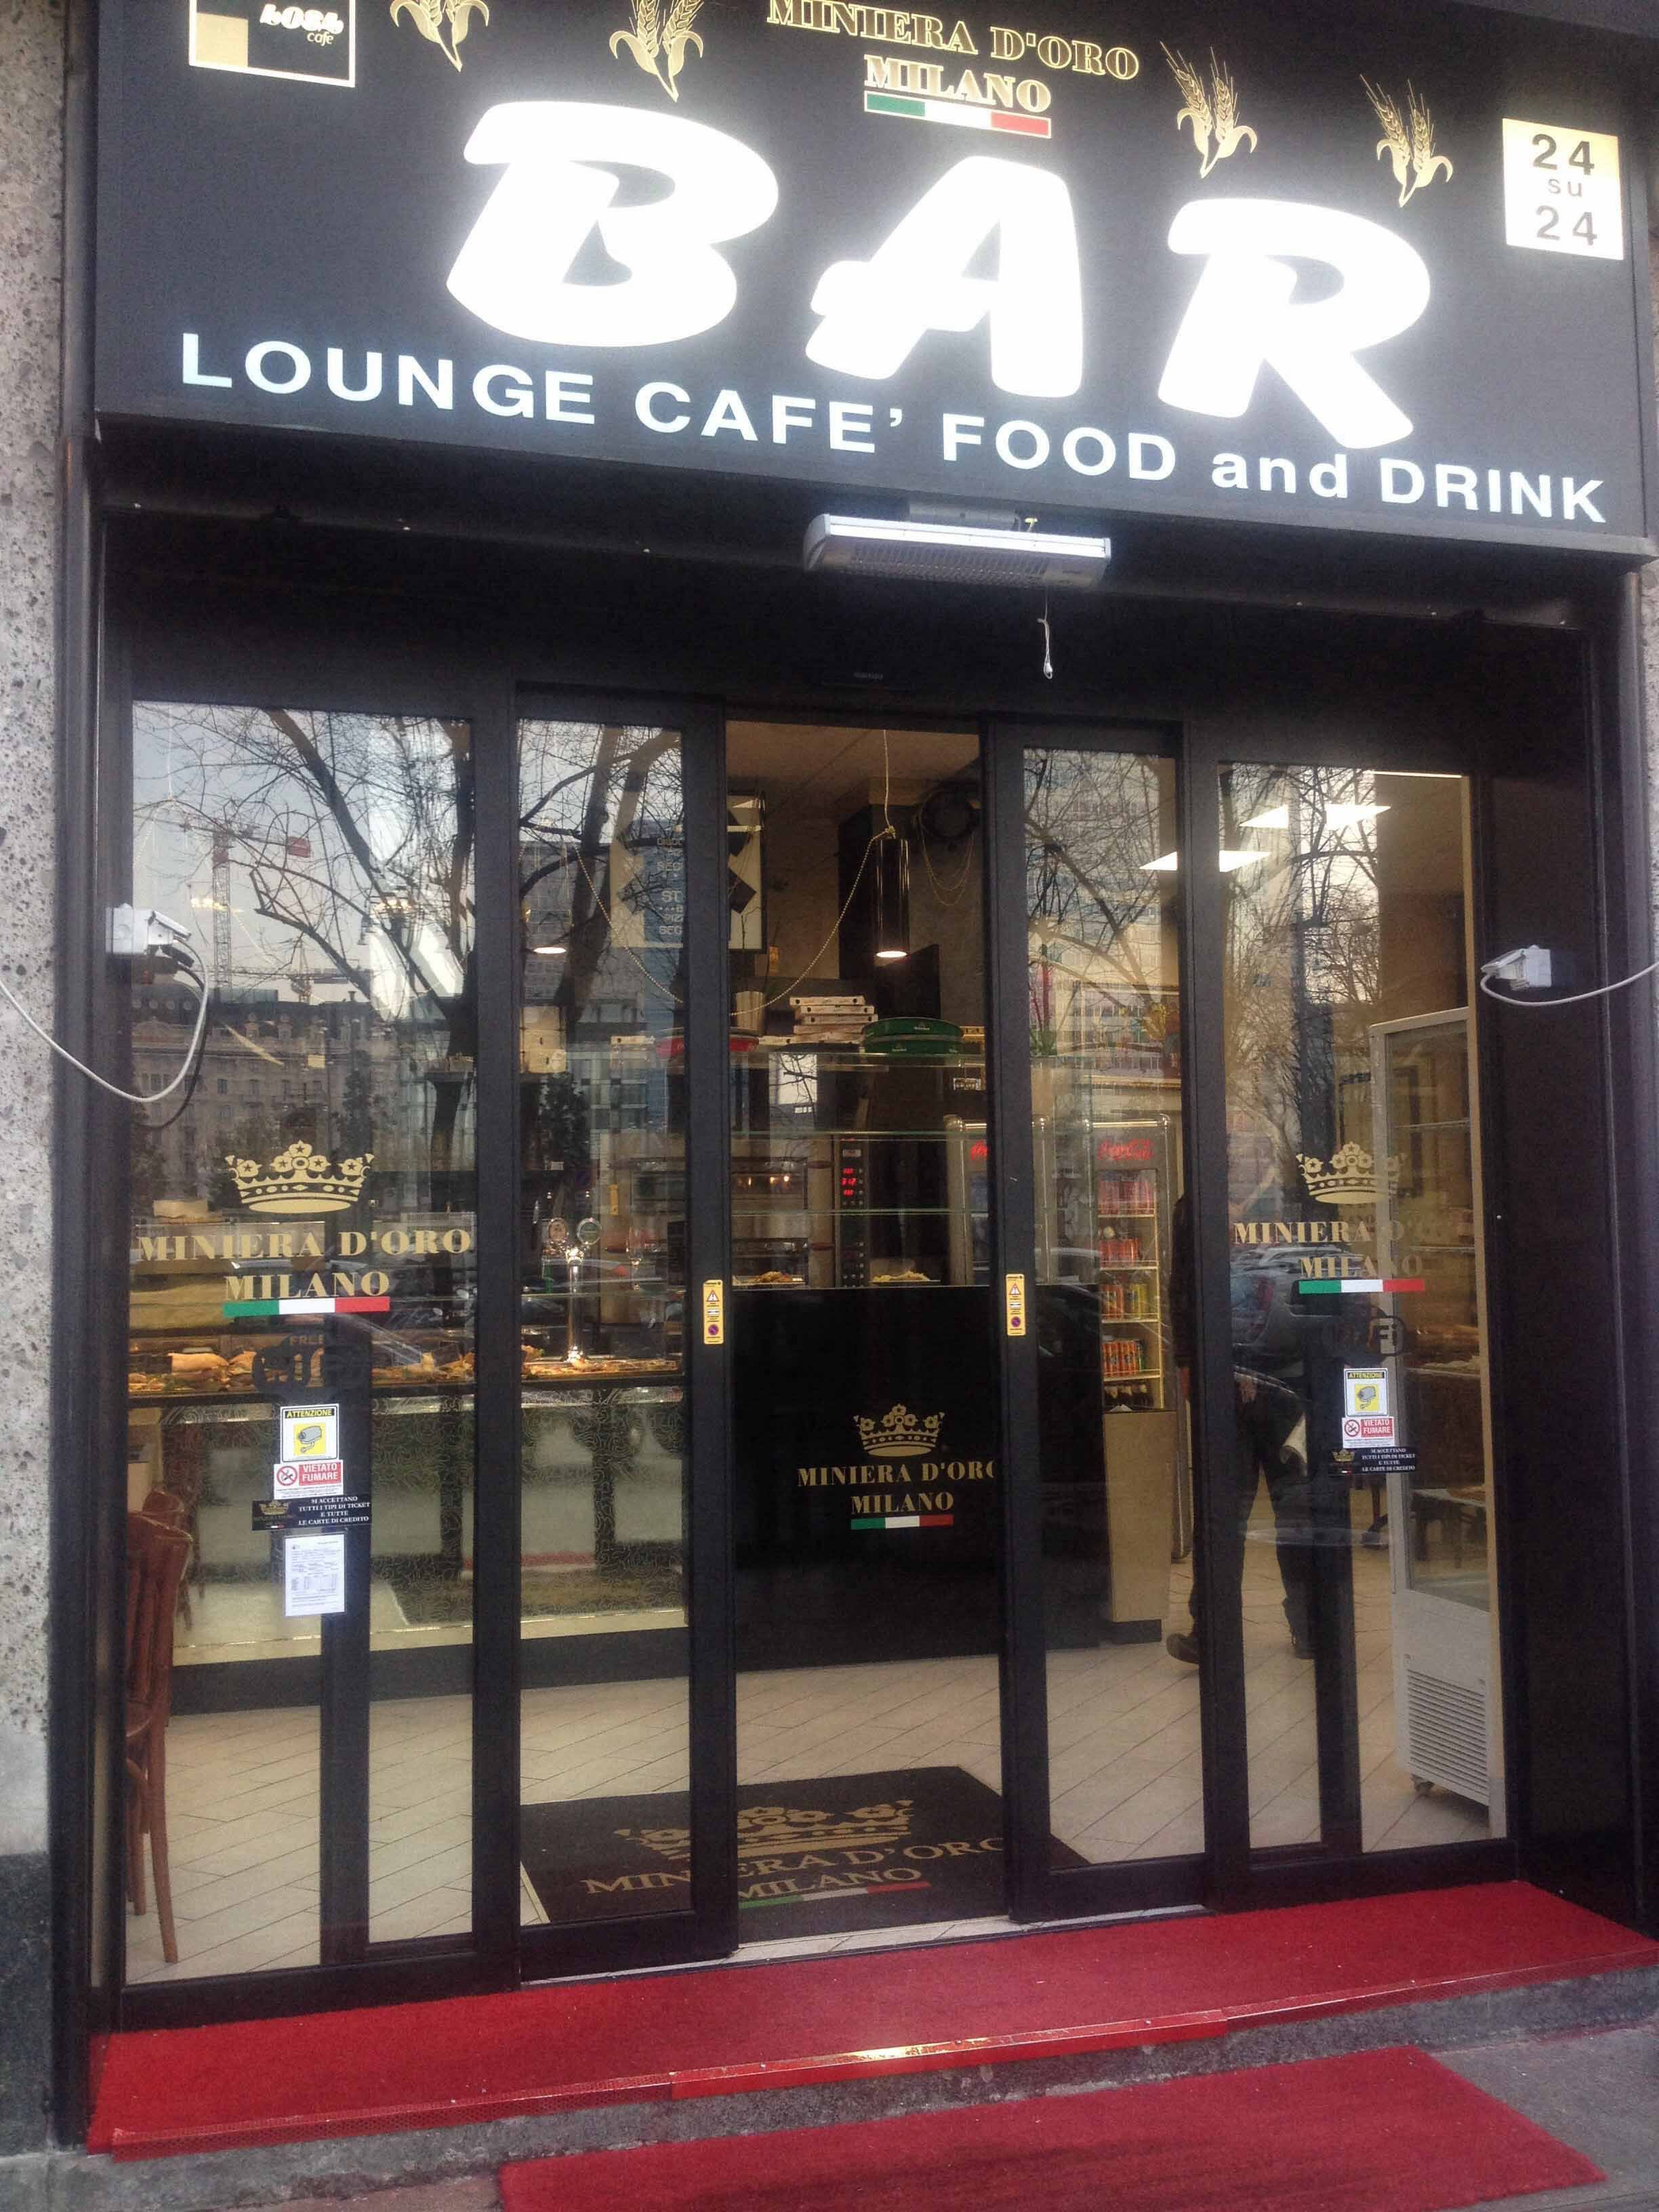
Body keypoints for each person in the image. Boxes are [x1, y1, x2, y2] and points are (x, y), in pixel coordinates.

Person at [1164, 1195, 1313, 1665]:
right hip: (1227, 1380)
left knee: (1296, 1510)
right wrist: (1187, 1360)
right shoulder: (1199, 1199)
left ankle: (1310, 1626)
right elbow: (1183, 1287)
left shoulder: (1287, 1196)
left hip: (1287, 1379)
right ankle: (1212, 1631)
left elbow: (1319, 1283)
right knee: (1223, 1514)